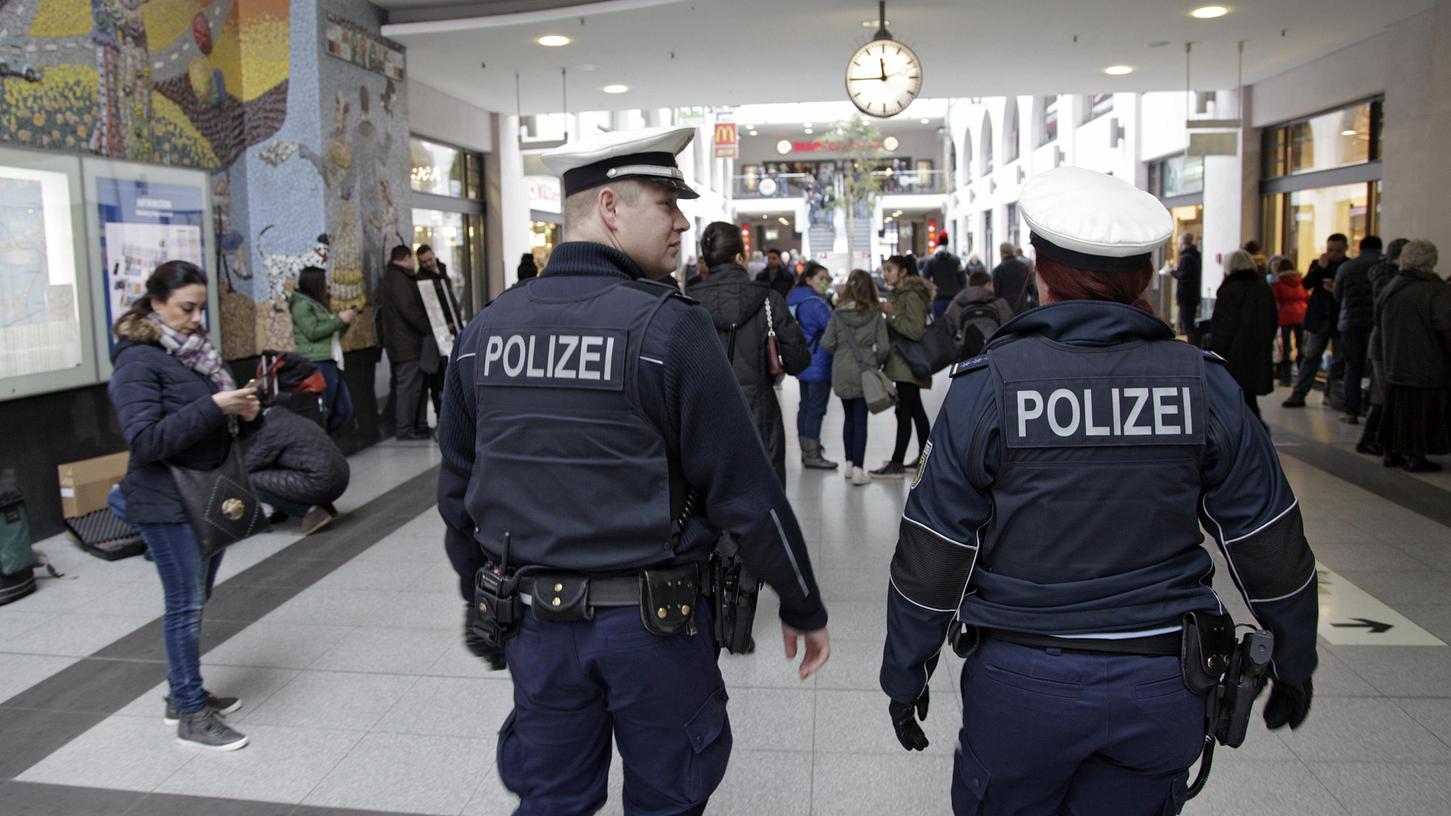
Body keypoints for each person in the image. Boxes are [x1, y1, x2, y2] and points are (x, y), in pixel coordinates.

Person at [880, 167, 1318, 814]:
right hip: (1164, 680)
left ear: (1039, 269)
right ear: (1143, 276)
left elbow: (935, 547)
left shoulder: (990, 384)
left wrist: (905, 670)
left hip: (1022, 683)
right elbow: (1267, 542)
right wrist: (1294, 656)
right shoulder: (1203, 384)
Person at [436, 126, 830, 815]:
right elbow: (744, 488)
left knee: (551, 800)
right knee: (667, 800)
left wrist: (486, 594)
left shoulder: (485, 332)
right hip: (656, 630)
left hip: (534, 621)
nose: (681, 220)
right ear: (611, 207)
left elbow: (457, 497)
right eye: (666, 200)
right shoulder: (668, 329)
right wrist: (800, 601)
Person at [107, 260, 261, 751]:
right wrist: (213, 406)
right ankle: (191, 715)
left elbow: (206, 419)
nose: (196, 318)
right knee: (185, 606)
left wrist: (245, 411)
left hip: (204, 493)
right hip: (165, 501)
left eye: (200, 307)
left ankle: (182, 693)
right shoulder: (137, 361)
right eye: (185, 308)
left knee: (196, 601)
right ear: (155, 305)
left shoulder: (192, 354)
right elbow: (145, 440)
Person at [690, 221, 811, 484]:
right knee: (765, 495)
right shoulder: (768, 300)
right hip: (760, 412)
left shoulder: (687, 303)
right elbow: (798, 360)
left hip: (704, 416)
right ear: (739, 257)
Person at [1372, 239, 1451, 472]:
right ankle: (1416, 456)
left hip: (1394, 359)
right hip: (1426, 362)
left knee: (1397, 409)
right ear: (1432, 261)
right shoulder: (1435, 291)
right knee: (1422, 412)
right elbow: (1445, 327)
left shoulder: (1392, 287)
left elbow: (1377, 320)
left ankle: (1392, 451)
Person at [822, 269, 891, 485]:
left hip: (841, 369)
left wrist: (843, 352)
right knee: (860, 420)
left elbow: (827, 343)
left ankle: (849, 465)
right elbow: (884, 347)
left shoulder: (838, 313)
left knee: (848, 418)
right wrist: (874, 362)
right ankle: (860, 469)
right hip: (865, 370)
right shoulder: (875, 314)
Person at [873, 254, 935, 479]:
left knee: (904, 411)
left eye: (889, 269)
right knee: (915, 410)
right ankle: (924, 459)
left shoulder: (911, 296)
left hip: (907, 361)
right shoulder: (900, 294)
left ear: (903, 272)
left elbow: (915, 330)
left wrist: (891, 314)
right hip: (901, 361)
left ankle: (897, 462)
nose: (885, 274)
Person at [245, 404, 350, 536]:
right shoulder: (288, 418)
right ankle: (324, 506)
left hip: (321, 484)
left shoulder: (271, 429)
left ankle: (311, 512)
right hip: (340, 478)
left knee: (249, 481)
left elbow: (248, 466)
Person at [1210, 250, 1279, 420]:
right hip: (1258, 352)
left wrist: (1214, 352)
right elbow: (1273, 320)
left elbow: (1223, 328)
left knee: (1238, 400)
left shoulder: (1230, 290)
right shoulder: (1263, 287)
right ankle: (1257, 433)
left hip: (1234, 355)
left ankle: (1254, 436)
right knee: (1247, 398)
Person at [1358, 238, 1411, 456]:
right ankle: (1385, 444)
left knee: (1381, 397)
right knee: (1387, 396)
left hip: (1382, 343)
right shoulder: (1389, 280)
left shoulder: (1385, 277)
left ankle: (1371, 439)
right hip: (1384, 345)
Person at [1284, 233, 1349, 408]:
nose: (1333, 254)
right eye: (1330, 250)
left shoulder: (1347, 266)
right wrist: (1320, 267)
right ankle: (1299, 394)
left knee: (1339, 359)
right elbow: (1305, 284)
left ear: (1345, 249)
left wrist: (1336, 289)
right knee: (1311, 356)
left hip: (1339, 319)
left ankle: (1331, 394)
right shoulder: (1318, 264)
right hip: (1319, 319)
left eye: (1338, 250)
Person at [289, 266, 355, 436]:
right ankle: (320, 445)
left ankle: (325, 442)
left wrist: (344, 322)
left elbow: (333, 333)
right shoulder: (302, 305)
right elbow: (313, 332)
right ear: (315, 283)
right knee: (323, 409)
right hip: (317, 362)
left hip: (331, 359)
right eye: (325, 280)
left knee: (344, 409)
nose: (328, 284)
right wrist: (339, 320)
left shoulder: (320, 304)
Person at [789, 261, 839, 470]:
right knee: (816, 409)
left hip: (803, 360)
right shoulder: (815, 304)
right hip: (819, 361)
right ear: (808, 279)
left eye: (827, 279)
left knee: (805, 406)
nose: (825, 283)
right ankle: (813, 454)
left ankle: (806, 449)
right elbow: (832, 328)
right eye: (821, 278)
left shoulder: (795, 298)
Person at [380, 244, 433, 440]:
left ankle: (413, 425)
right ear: (407, 258)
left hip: (404, 343)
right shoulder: (398, 279)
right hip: (406, 344)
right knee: (408, 388)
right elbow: (409, 311)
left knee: (412, 387)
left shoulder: (394, 277)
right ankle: (404, 428)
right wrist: (429, 327)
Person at [1333, 236, 1383, 423]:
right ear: (1379, 248)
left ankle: (1351, 410)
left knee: (1352, 368)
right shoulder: (1383, 267)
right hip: (1374, 324)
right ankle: (1372, 410)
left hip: (1350, 324)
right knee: (1375, 369)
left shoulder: (1347, 267)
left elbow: (1337, 296)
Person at [417, 245, 464, 420]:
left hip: (453, 328)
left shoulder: (441, 270)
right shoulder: (422, 280)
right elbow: (433, 308)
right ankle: (442, 415)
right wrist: (445, 326)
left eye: (430, 259)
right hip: (441, 333)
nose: (429, 263)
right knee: (440, 376)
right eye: (424, 262)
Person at [944, 270, 1013, 358]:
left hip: (964, 357)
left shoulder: (957, 304)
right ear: (988, 284)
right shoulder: (1000, 303)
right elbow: (1009, 328)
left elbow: (948, 330)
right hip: (995, 355)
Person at [1271, 257, 1308, 386]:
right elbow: (1306, 297)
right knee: (1301, 345)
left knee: (1286, 346)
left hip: (1286, 315)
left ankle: (1286, 377)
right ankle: (1302, 375)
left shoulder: (1278, 283)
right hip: (1301, 314)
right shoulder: (1301, 281)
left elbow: (1276, 300)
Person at [923, 232, 966, 322]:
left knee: (938, 324)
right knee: (952, 323)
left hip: (937, 298)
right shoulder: (956, 260)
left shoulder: (931, 261)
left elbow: (925, 279)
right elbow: (963, 279)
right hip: (953, 298)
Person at [1170, 232, 1202, 343]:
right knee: (1188, 323)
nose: (1177, 245)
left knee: (1187, 325)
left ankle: (1194, 346)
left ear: (1182, 243)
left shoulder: (1186, 258)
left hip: (1186, 296)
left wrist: (1172, 272)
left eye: (1178, 242)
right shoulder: (1196, 255)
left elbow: (1183, 275)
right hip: (1193, 295)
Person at [992, 242, 1037, 315]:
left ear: (1001, 252)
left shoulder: (999, 270)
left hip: (1004, 309)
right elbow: (1032, 289)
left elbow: (995, 291)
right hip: (1022, 307)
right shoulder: (1024, 268)